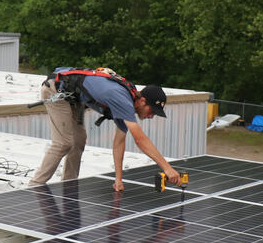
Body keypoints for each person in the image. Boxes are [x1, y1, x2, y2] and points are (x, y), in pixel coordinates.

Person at [28, 67, 181, 191]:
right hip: (55, 90)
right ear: (142, 101)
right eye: (152, 111)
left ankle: (68, 185)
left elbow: (119, 142)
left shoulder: (129, 101)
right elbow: (140, 139)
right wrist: (167, 168)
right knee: (63, 143)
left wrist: (118, 179)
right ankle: (35, 186)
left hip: (73, 97)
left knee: (79, 140)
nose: (151, 116)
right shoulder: (121, 99)